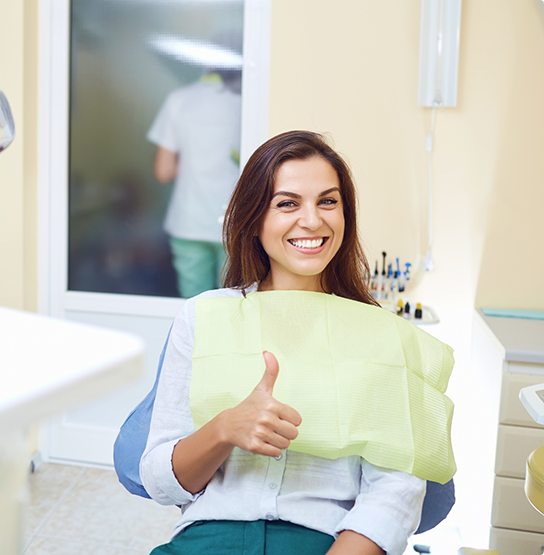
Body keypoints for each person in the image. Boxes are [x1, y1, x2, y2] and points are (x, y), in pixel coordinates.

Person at [137, 131, 455, 555]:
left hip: (325, 542)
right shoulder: (203, 317)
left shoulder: (382, 333)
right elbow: (160, 481)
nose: (312, 220)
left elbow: (394, 495)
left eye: (328, 201)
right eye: (287, 203)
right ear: (254, 219)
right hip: (207, 538)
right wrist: (225, 428)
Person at [147, 70, 241, 298]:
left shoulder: (179, 99)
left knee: (192, 308)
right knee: (229, 304)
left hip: (188, 219)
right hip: (235, 219)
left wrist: (190, 166)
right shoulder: (246, 101)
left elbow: (163, 171)